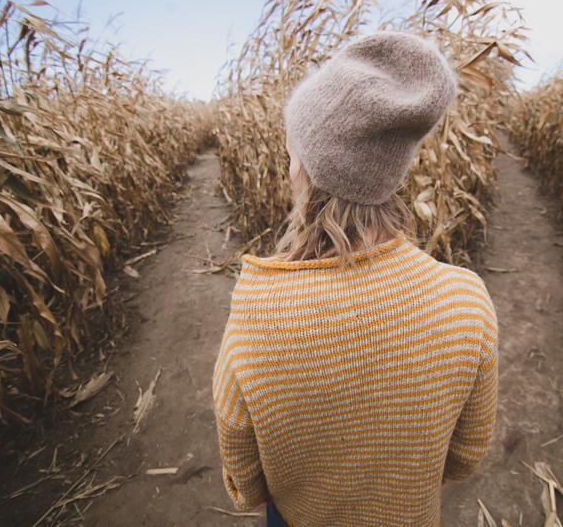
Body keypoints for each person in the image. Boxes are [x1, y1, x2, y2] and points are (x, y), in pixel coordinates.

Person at [212, 31, 499, 527]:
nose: (287, 163)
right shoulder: (466, 303)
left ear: (307, 168)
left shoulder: (257, 318)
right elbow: (466, 456)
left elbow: (245, 482)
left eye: (291, 151)